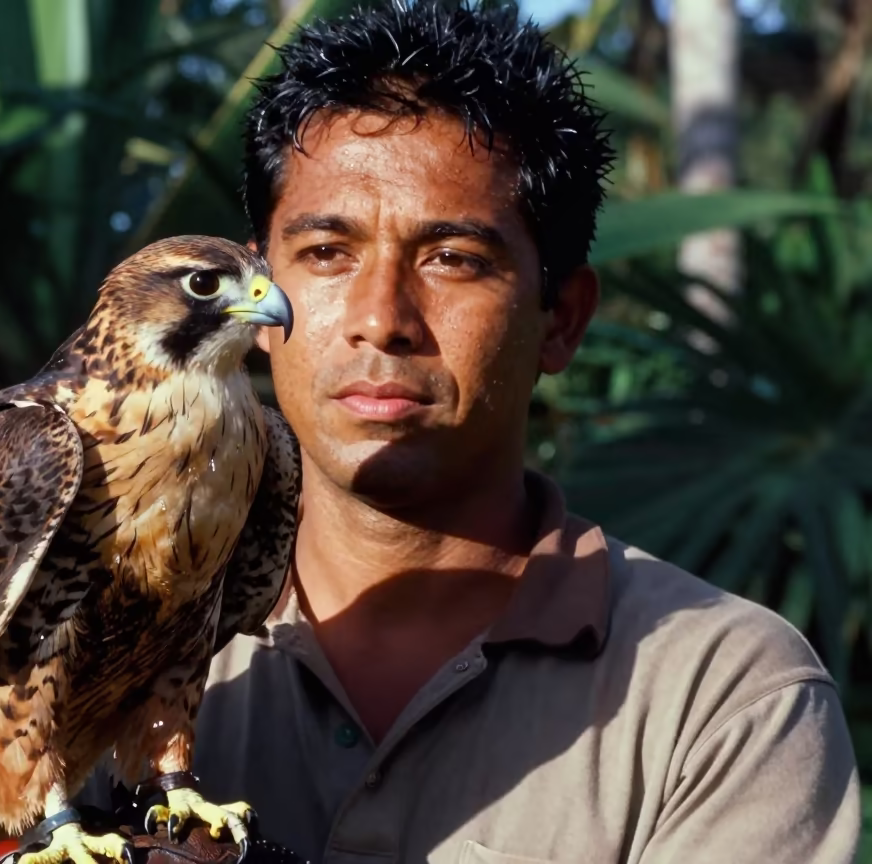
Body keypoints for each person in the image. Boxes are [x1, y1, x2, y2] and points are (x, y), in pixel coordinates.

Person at [82, 2, 861, 861]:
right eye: (327, 254)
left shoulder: (723, 697)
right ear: (257, 296)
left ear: (561, 320)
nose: (381, 320)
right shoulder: (91, 610)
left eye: (453, 259)